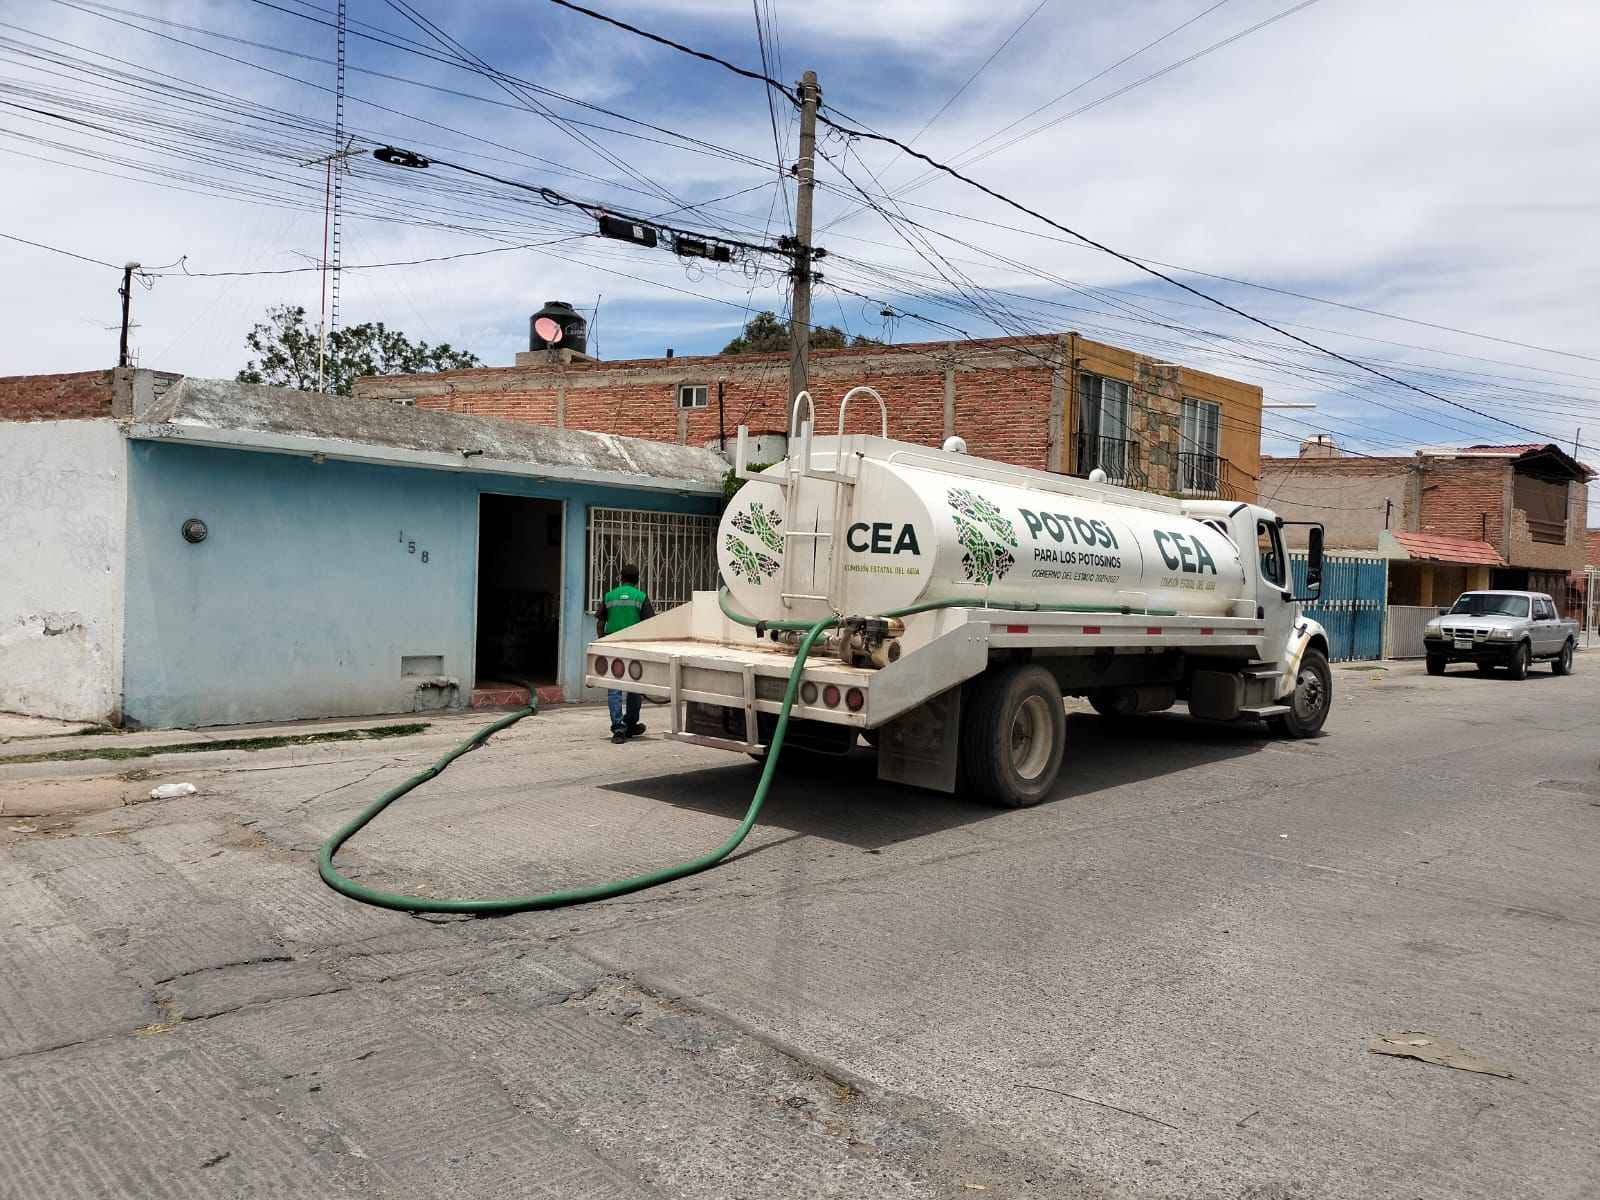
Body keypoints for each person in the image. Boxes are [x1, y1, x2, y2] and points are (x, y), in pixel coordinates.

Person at [596, 564, 654, 744]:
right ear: (637, 579)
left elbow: (600, 623)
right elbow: (650, 624)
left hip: (613, 646)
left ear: (620, 578)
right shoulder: (640, 597)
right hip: (634, 647)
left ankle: (618, 729)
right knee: (634, 686)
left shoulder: (610, 596)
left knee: (614, 687)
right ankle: (630, 723)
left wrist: (603, 642)